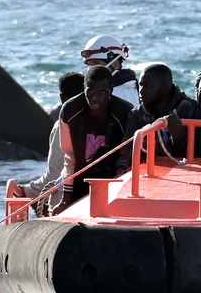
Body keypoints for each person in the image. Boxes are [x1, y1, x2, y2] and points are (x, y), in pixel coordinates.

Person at [53, 65, 134, 205]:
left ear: (111, 90)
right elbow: (70, 156)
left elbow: (128, 152)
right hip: (81, 181)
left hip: (115, 182)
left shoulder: (125, 113)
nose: (96, 98)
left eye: (102, 92)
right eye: (90, 92)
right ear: (84, 88)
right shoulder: (70, 111)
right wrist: (65, 199)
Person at [132, 62, 198, 159]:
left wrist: (178, 135)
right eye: (140, 85)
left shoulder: (188, 108)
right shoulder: (137, 113)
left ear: (165, 87)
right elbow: (127, 152)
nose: (141, 91)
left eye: (148, 86)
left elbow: (198, 152)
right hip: (148, 170)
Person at [43, 70, 85, 180]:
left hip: (68, 190)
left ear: (62, 98)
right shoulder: (100, 118)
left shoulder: (62, 126)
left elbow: (54, 174)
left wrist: (27, 190)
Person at [81, 34, 139, 107]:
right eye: (89, 64)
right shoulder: (131, 85)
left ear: (115, 64)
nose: (91, 69)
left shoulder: (119, 93)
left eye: (96, 63)